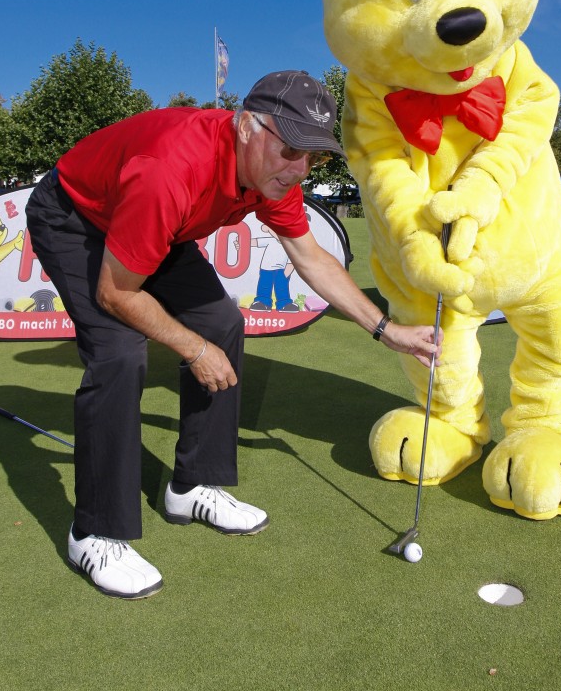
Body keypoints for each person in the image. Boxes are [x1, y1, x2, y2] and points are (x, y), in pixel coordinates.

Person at [26, 70, 441, 599]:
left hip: (158, 225)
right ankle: (94, 532)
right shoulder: (171, 169)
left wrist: (386, 330)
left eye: (312, 155)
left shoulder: (273, 177)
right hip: (76, 218)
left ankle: (192, 486)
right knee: (119, 353)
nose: (300, 168)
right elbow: (115, 294)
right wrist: (192, 349)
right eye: (290, 148)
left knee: (222, 323)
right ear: (247, 126)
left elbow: (311, 257)